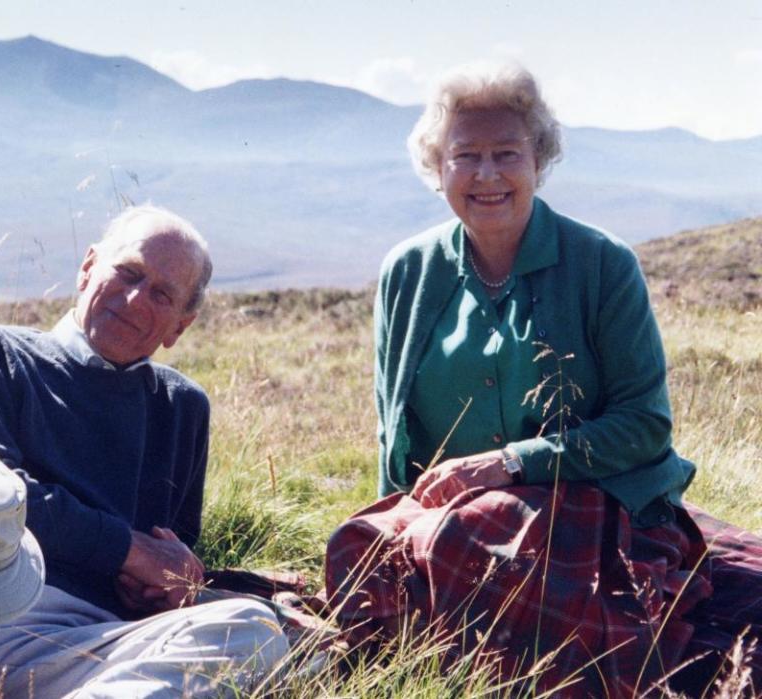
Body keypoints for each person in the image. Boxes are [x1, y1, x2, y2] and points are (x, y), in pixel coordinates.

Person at [325, 63, 762, 697]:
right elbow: (393, 431)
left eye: (507, 153)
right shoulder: (407, 274)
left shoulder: (602, 265)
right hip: (453, 517)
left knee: (472, 543)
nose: (487, 174)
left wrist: (509, 464)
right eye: (464, 156)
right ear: (436, 167)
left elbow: (645, 428)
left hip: (593, 500)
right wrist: (394, 521)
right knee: (358, 550)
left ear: (540, 160)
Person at [0, 204, 289, 698]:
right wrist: (124, 549)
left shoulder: (181, 407)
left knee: (253, 630)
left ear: (179, 327)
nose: (134, 298)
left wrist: (161, 588)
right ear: (87, 268)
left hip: (63, 644)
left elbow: (164, 562)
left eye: (162, 294)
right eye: (128, 272)